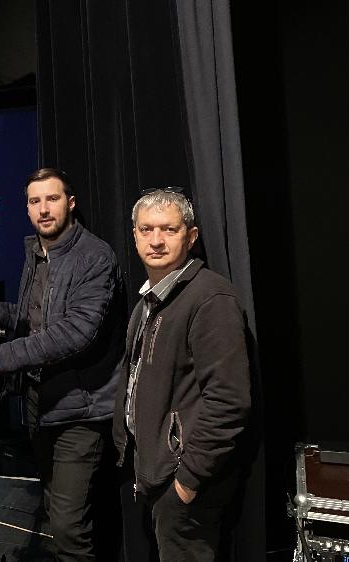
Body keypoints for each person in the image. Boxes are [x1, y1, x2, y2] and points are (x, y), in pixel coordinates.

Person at [0, 168, 126, 561]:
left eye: (52, 199)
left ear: (71, 203)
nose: (43, 209)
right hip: (41, 407)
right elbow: (35, 319)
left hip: (80, 411)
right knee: (55, 512)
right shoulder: (38, 252)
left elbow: (76, 332)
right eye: (35, 201)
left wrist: (2, 357)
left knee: (67, 529)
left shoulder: (95, 256)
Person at [113, 188, 252, 562]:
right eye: (146, 229)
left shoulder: (210, 298)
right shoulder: (149, 301)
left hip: (187, 486)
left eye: (169, 229)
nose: (156, 240)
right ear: (135, 235)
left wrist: (187, 482)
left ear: (191, 237)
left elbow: (229, 402)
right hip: (155, 477)